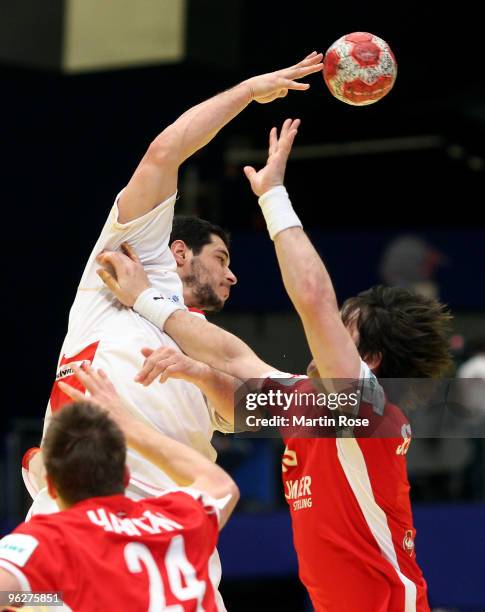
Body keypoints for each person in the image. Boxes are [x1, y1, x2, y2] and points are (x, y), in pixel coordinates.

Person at [99, 119, 453, 611]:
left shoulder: (365, 409)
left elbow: (312, 300)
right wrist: (186, 358)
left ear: (369, 361)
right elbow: (231, 360)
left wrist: (273, 197)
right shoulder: (308, 404)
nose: (324, 335)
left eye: (343, 329)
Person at [24, 53, 323, 504]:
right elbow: (165, 151)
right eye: (221, 258)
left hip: (169, 535)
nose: (233, 275)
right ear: (179, 252)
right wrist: (247, 92)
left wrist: (200, 373)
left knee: (354, 409)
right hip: (73, 522)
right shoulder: (121, 265)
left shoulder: (210, 345)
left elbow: (254, 408)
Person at [1, 363, 238, 611]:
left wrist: (47, 599)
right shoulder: (176, 520)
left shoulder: (49, 539)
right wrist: (127, 423)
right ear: (125, 476)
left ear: (50, 487)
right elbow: (220, 483)